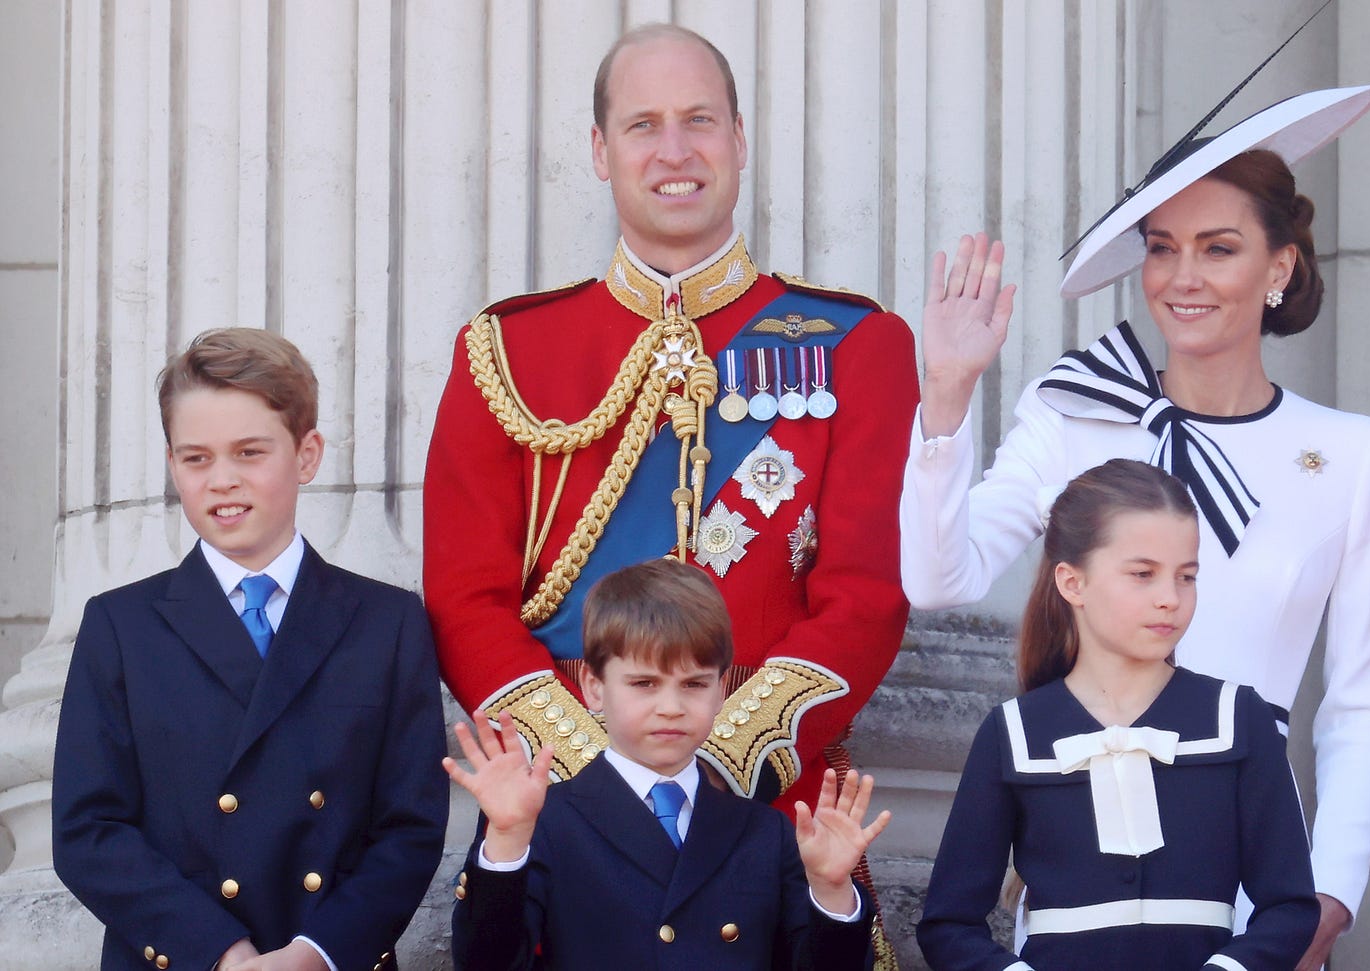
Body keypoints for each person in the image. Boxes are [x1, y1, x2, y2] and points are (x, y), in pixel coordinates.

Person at [900, 85, 1370, 970]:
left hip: (1257, 872)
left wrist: (1327, 896)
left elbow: (1358, 702)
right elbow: (940, 579)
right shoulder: (1075, 410)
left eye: (1219, 248)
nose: (1182, 278)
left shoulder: (1353, 453)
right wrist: (946, 400)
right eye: (1162, 249)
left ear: (1279, 268)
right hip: (1079, 863)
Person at [423, 22, 918, 819]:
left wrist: (722, 761)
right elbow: (464, 597)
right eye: (643, 125)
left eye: (700, 120)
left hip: (770, 815)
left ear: (740, 138)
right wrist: (590, 770)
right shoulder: (506, 351)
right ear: (599, 150)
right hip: (566, 815)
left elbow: (866, 596)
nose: (675, 151)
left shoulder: (859, 347)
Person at [52, 329, 449, 971]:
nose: (222, 481)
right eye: (196, 458)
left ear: (307, 454)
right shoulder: (120, 627)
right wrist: (220, 953)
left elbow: (410, 826)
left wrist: (318, 953)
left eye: (249, 452)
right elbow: (88, 832)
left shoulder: (388, 623)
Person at [918, 459, 1319, 970]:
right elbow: (949, 926)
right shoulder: (1014, 732)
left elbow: (1290, 908)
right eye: (1142, 574)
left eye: (1187, 577)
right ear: (1072, 583)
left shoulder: (1239, 718)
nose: (1170, 599)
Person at [445, 558, 890, 969]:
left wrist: (831, 889)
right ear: (594, 687)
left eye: (694, 684)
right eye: (644, 683)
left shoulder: (767, 833)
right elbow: (487, 962)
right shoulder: (546, 820)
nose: (671, 707)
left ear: (721, 691)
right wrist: (503, 843)